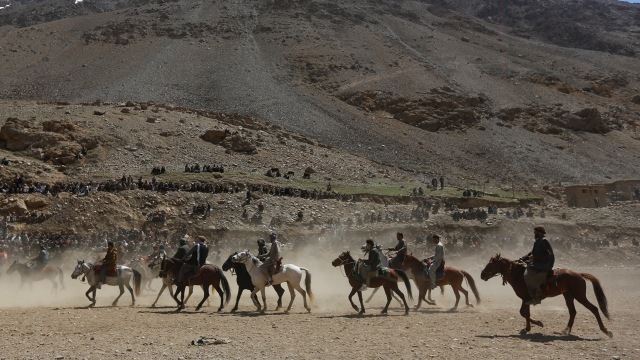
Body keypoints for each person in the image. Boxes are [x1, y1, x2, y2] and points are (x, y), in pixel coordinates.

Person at [519, 225, 554, 305]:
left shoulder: (543, 241)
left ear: (540, 233)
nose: (534, 233)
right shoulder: (538, 241)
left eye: (536, 232)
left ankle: (536, 297)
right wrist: (522, 258)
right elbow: (531, 253)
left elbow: (547, 254)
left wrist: (535, 257)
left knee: (527, 275)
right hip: (539, 262)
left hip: (545, 264)